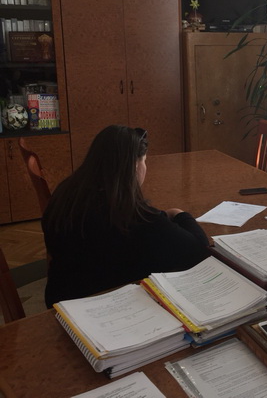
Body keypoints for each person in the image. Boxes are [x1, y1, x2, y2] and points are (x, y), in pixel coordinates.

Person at [43, 125, 211, 308]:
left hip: (60, 298)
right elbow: (199, 250)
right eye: (144, 161)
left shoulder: (66, 192)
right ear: (135, 165)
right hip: (103, 308)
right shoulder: (134, 217)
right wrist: (180, 214)